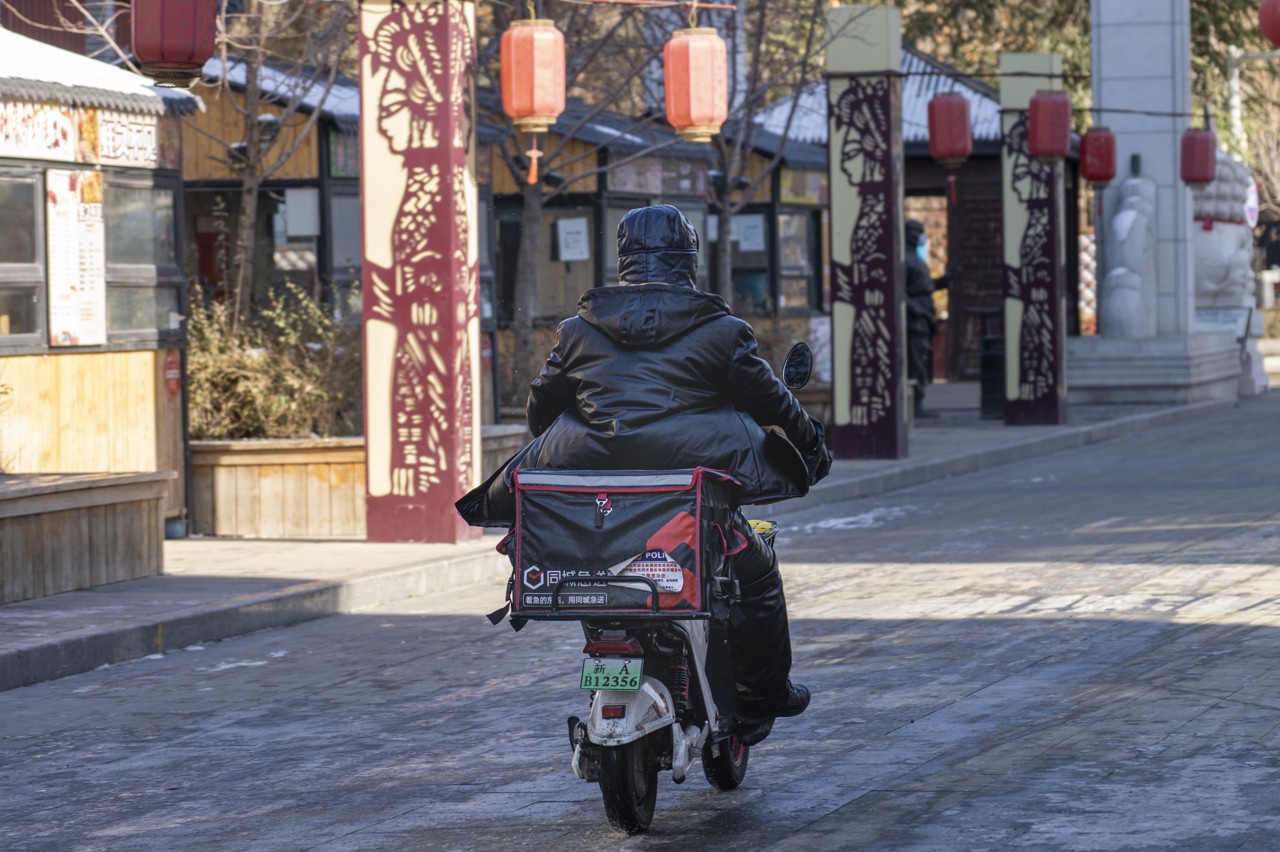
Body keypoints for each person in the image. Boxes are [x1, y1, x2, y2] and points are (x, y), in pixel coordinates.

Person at [457, 204, 832, 745]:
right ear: (689, 260)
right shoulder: (723, 331)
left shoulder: (578, 331)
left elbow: (541, 414)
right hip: (691, 507)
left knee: (590, 578)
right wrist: (812, 444)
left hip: (593, 514)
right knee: (757, 574)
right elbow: (776, 404)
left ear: (624, 260)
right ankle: (762, 696)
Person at [904, 219, 947, 418]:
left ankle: (918, 401)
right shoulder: (905, 259)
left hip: (923, 314)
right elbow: (901, 290)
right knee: (916, 361)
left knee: (920, 359)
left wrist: (945, 281)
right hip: (916, 317)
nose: (923, 236)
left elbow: (924, 286)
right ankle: (915, 403)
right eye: (919, 232)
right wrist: (914, 309)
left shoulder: (916, 258)